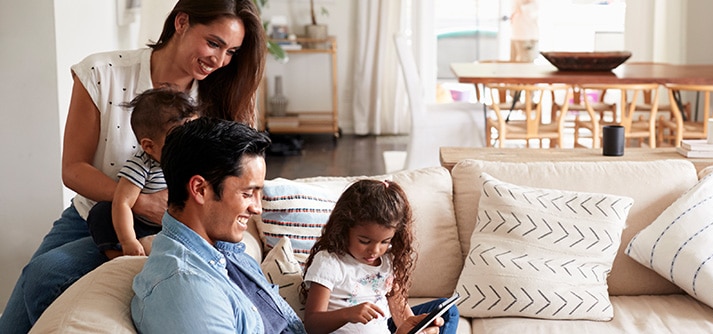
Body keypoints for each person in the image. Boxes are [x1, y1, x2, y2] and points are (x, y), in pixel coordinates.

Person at [0, 1, 266, 332]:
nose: (220, 60)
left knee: (47, 274)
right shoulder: (102, 73)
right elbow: (73, 168)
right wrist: (137, 200)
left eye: (231, 52)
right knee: (36, 275)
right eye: (213, 43)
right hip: (94, 211)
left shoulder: (216, 100)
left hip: (168, 226)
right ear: (181, 22)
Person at [132, 117, 444, 334]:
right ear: (200, 189)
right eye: (247, 192)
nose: (256, 207)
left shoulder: (224, 249)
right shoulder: (186, 288)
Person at [300, 179, 459, 334]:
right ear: (344, 228)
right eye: (364, 241)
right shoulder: (330, 262)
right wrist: (348, 314)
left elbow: (401, 313)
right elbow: (312, 324)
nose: (375, 250)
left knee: (447, 311)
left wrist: (414, 328)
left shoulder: (387, 261)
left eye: (385, 242)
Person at [86, 87, 199, 260]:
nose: (189, 146)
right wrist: (128, 240)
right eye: (178, 140)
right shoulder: (142, 165)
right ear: (149, 146)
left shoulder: (194, 160)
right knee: (102, 211)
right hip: (140, 226)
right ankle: (118, 255)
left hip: (174, 225)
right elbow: (122, 202)